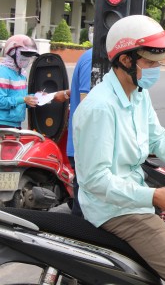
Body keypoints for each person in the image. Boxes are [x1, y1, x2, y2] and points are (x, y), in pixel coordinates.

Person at [72, 15, 165, 284]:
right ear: (126, 60)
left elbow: (156, 138)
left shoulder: (138, 93)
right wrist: (153, 197)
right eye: (150, 62)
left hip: (133, 197)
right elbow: (95, 180)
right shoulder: (100, 108)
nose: (156, 68)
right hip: (115, 210)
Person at [66, 47, 92, 217]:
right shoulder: (93, 59)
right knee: (84, 212)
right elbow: (87, 105)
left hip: (89, 147)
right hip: (86, 149)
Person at [0, 35, 40, 128]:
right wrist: (23, 99)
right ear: (12, 52)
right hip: (3, 124)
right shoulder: (3, 73)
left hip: (16, 124)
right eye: (25, 54)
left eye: (30, 55)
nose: (27, 58)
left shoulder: (22, 74)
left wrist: (34, 98)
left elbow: (21, 99)